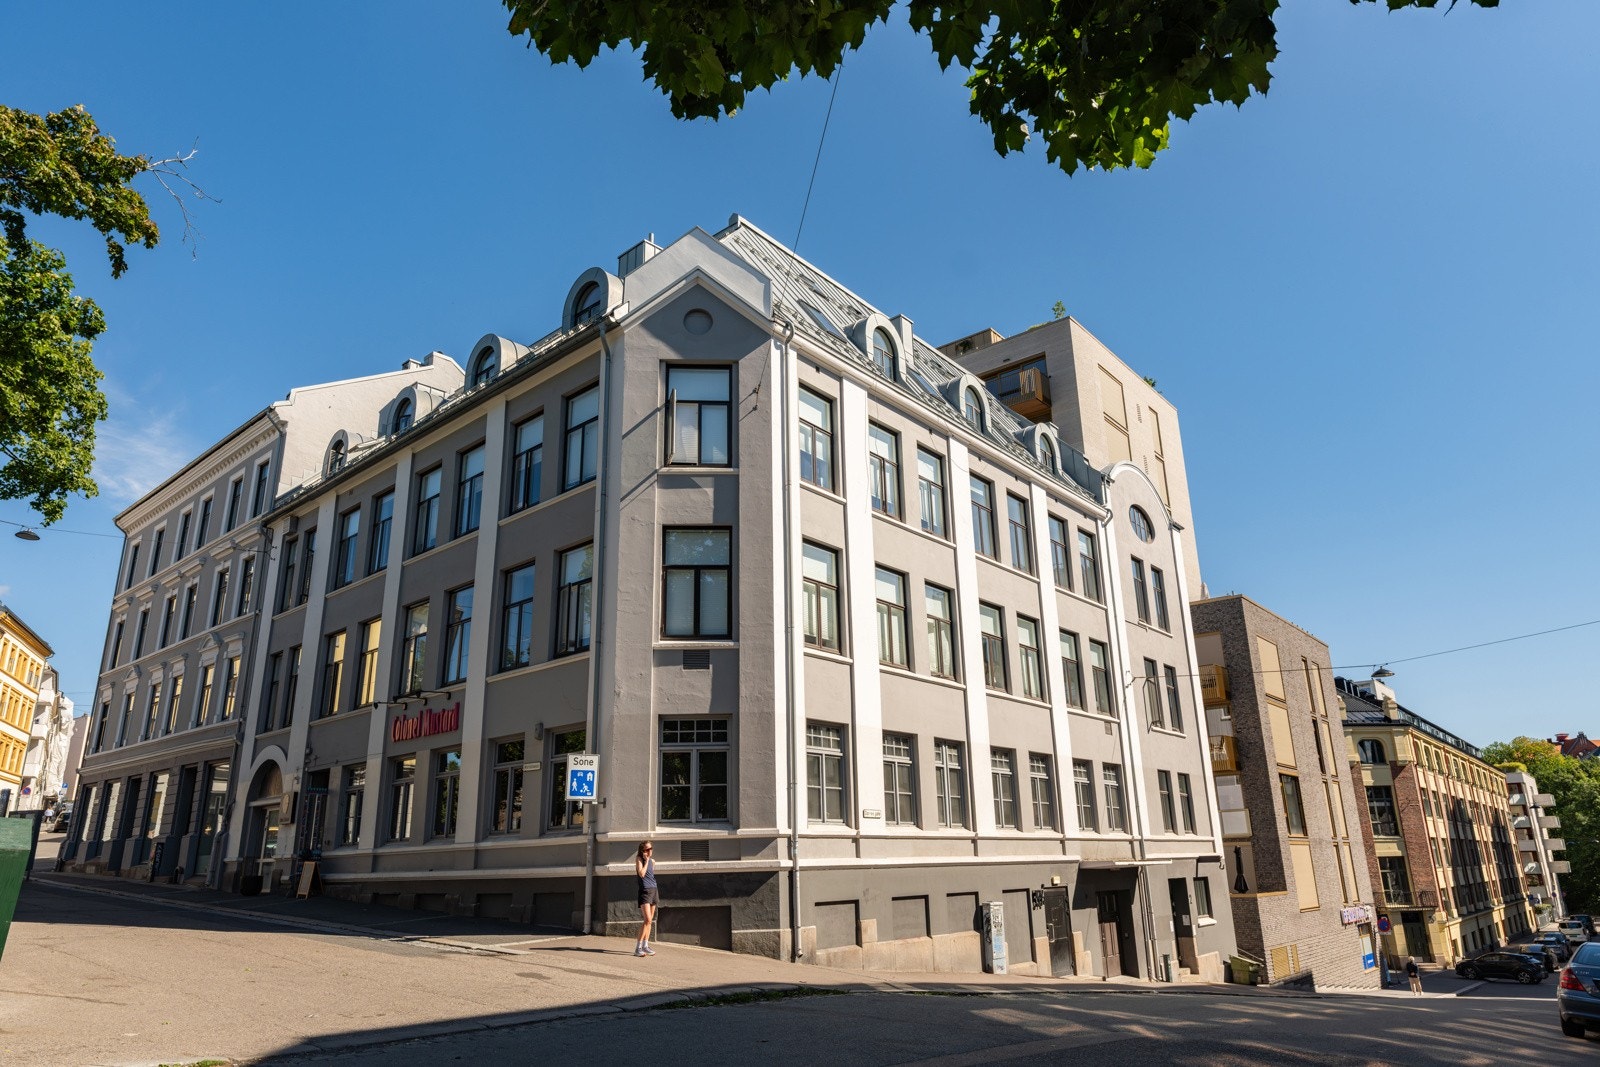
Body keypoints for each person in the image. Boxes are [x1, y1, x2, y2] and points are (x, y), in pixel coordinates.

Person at [634, 841, 658, 957]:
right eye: (647, 850)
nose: (649, 851)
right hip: (645, 891)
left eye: (651, 849)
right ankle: (638, 948)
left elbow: (651, 876)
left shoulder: (653, 862)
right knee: (647, 919)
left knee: (650, 920)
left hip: (653, 889)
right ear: (642, 851)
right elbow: (642, 874)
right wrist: (646, 860)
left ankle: (645, 945)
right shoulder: (639, 859)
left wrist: (650, 861)